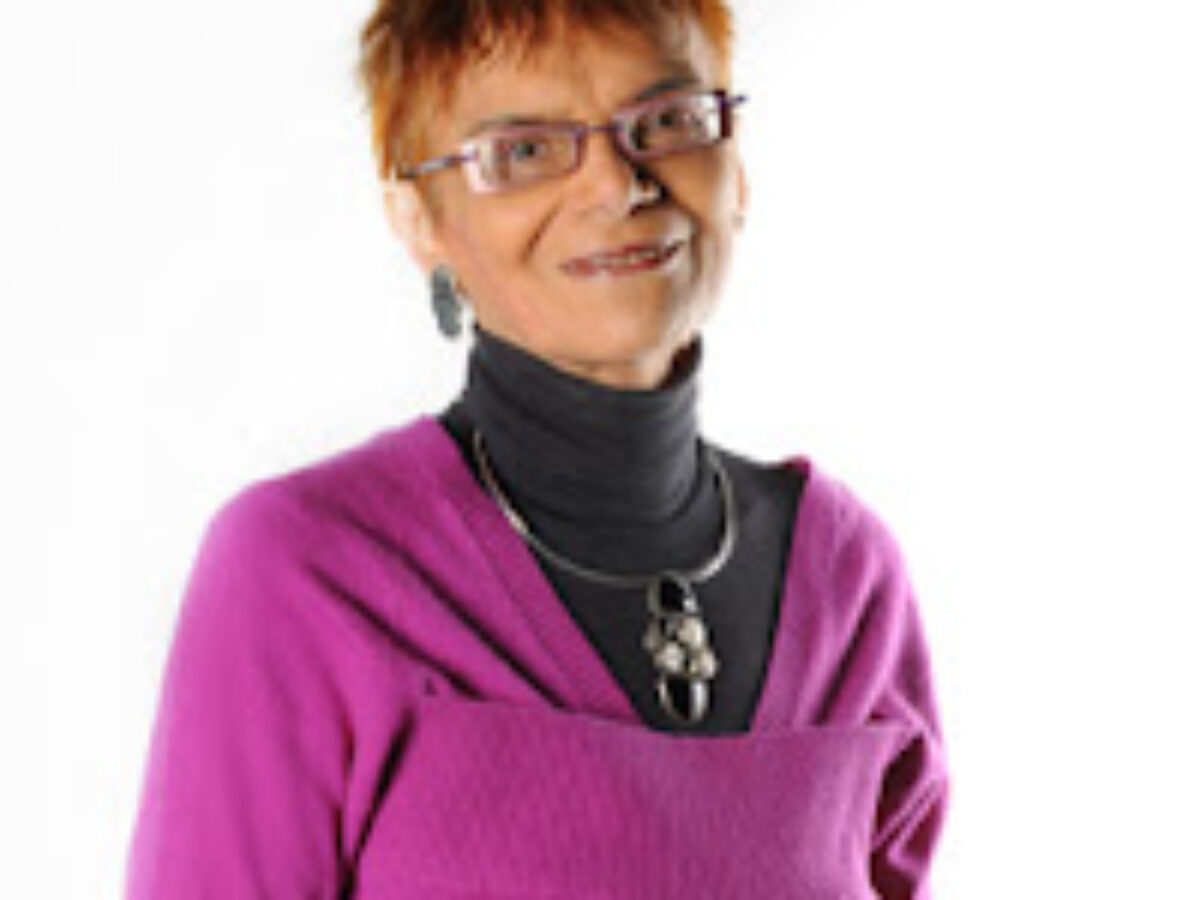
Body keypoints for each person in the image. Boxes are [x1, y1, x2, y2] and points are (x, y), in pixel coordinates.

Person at [125, 1, 950, 897]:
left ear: (735, 162)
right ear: (418, 218)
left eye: (667, 120)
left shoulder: (847, 580)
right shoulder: (307, 572)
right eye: (522, 151)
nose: (616, 185)